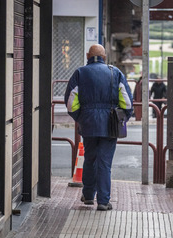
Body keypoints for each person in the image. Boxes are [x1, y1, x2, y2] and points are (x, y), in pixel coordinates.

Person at [64, 44, 133, 211]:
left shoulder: (80, 73)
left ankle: (88, 195)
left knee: (90, 158)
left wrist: (81, 116)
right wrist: (123, 117)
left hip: (88, 123)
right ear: (105, 57)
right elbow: (127, 102)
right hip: (110, 124)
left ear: (88, 55)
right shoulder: (115, 73)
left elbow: (71, 103)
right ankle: (103, 201)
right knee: (104, 162)